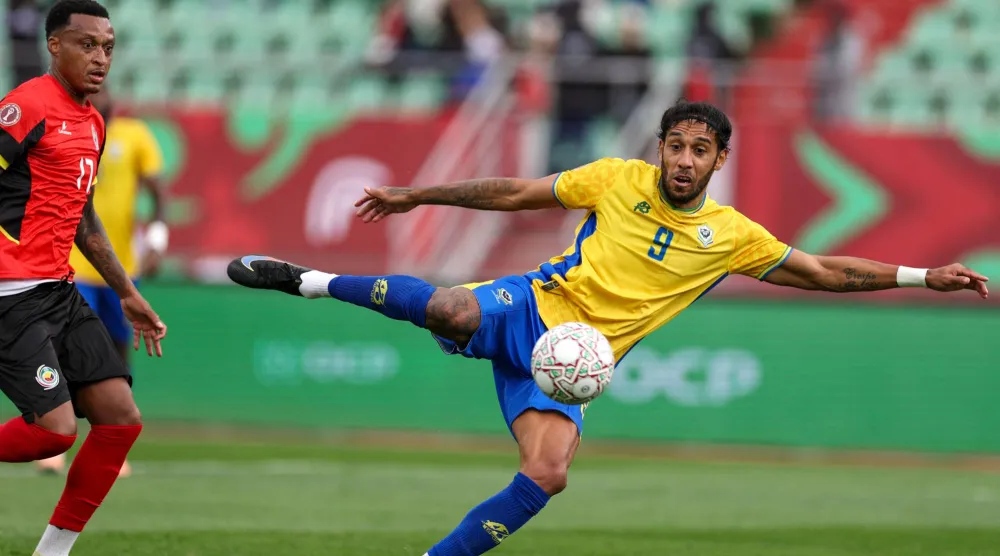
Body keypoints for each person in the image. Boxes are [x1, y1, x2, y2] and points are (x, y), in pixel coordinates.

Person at [227, 99, 988, 556]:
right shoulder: (615, 180)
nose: (683, 160)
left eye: (700, 150)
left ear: (721, 159)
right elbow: (515, 192)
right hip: (531, 306)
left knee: (548, 475)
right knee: (455, 305)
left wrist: (923, 276)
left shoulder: (731, 236)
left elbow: (822, 272)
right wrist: (417, 194)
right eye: (675, 146)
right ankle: (309, 280)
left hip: (574, 363)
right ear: (659, 147)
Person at [0, 2, 167, 555]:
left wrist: (127, 292)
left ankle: (52, 552)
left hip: (59, 289)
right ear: (55, 46)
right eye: (87, 44)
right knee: (54, 432)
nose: (101, 58)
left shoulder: (94, 121)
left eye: (109, 47)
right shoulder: (24, 107)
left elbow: (83, 217)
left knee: (120, 421)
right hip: (10, 293)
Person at [34, 86, 167, 478]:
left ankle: (111, 443)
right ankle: (55, 441)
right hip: (72, 263)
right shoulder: (66, 131)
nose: (100, 96)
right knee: (63, 351)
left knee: (117, 352)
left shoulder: (134, 135)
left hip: (120, 268)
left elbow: (158, 192)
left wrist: (157, 239)